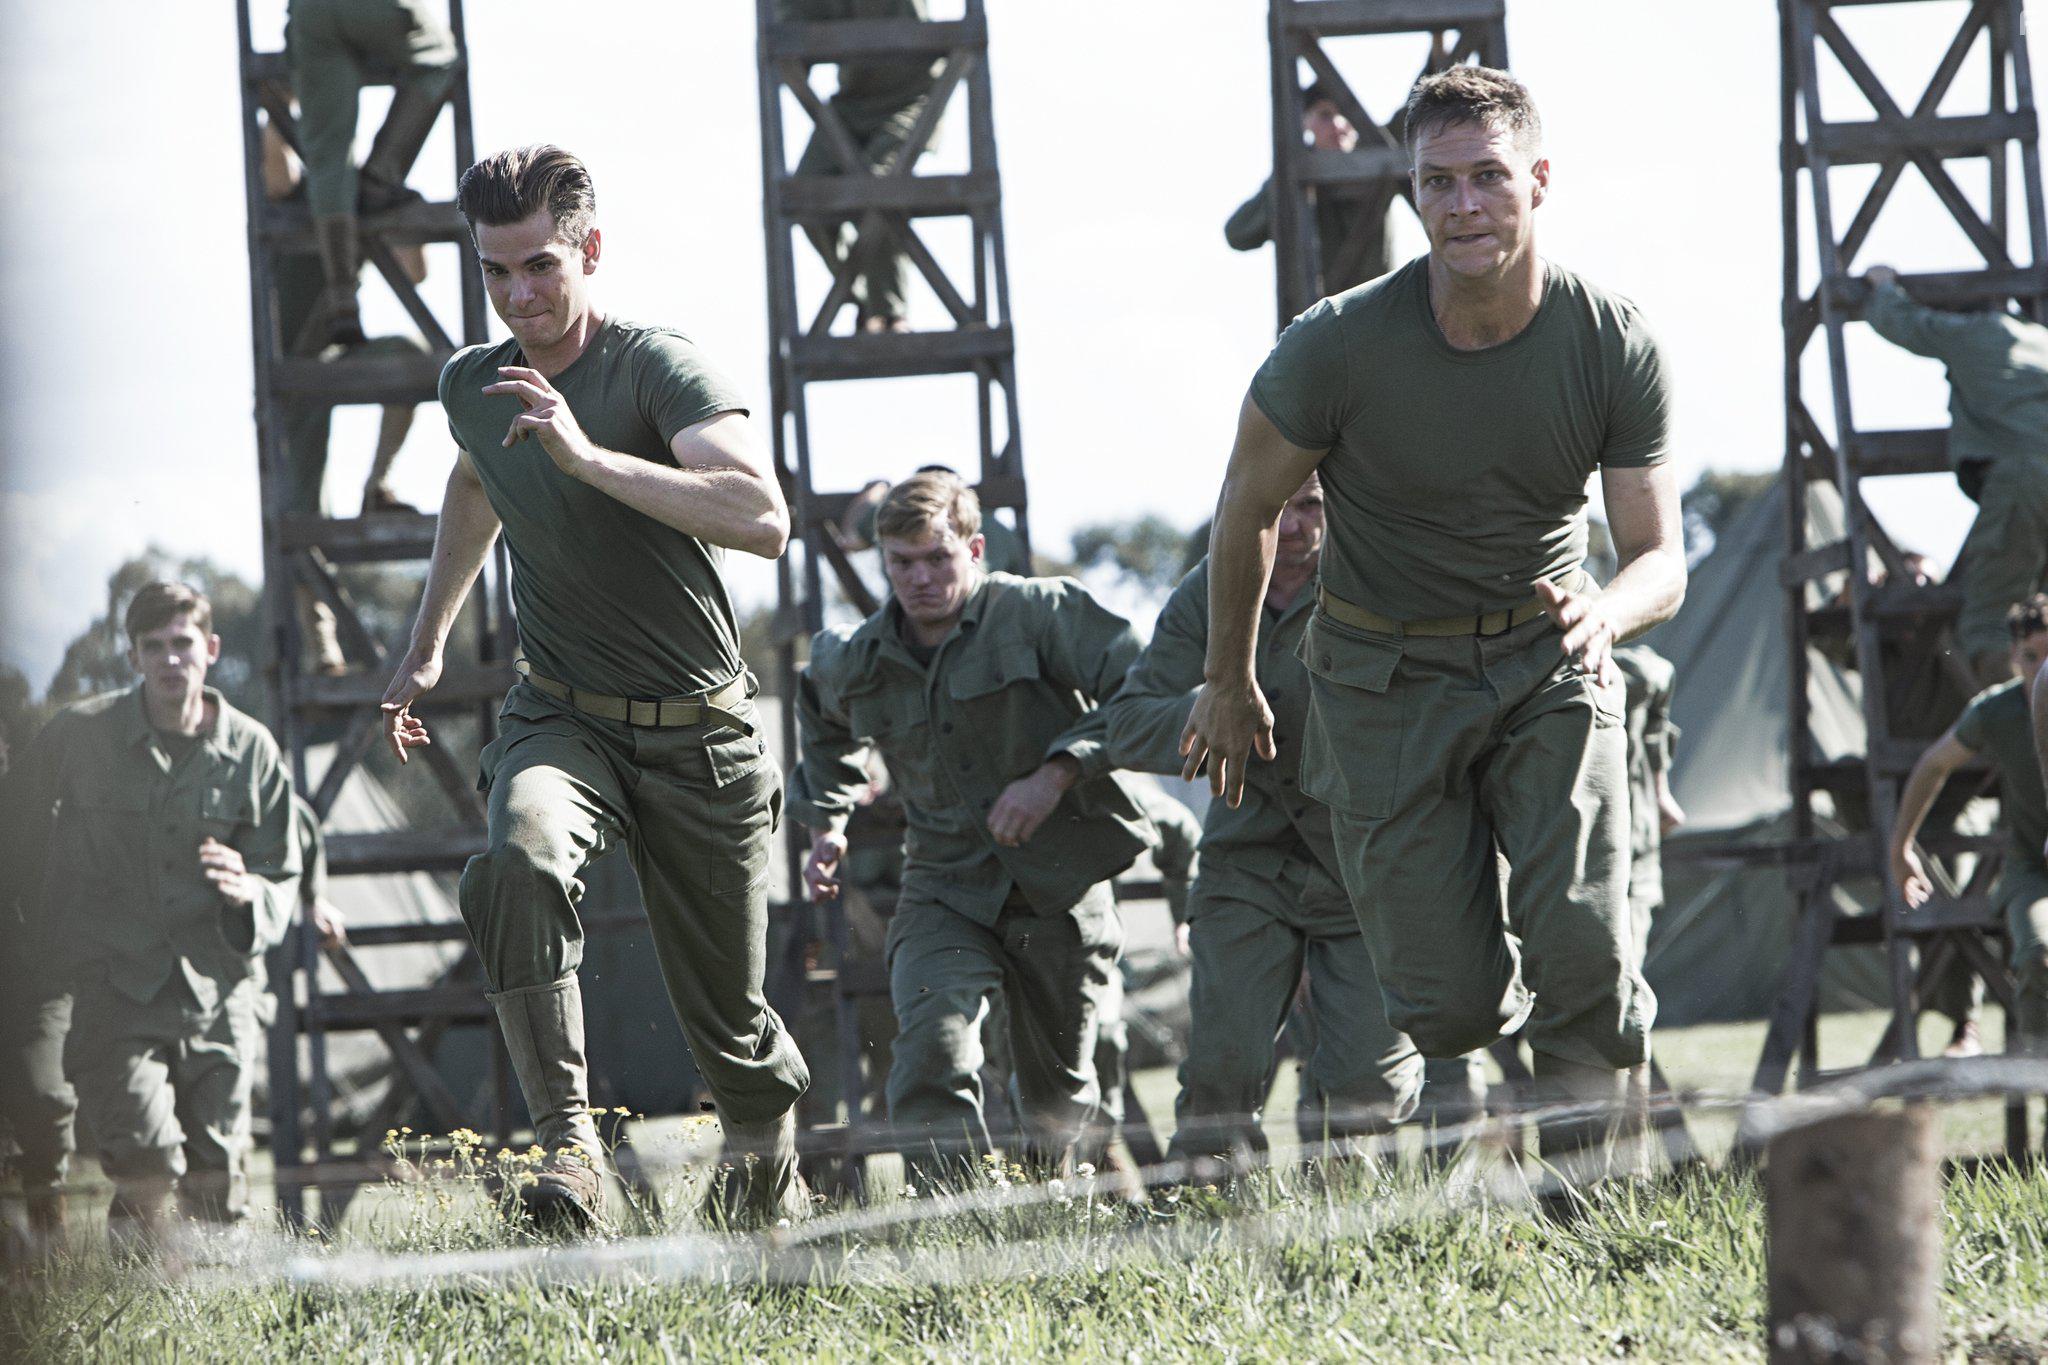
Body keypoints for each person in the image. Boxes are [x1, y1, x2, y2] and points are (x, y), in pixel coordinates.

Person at [1181, 67, 1686, 1173]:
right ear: (1411, 195)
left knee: (1585, 954)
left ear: (1538, 181)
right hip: (1380, 678)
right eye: (1437, 183)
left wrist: (1604, 612)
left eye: (1488, 179)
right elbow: (1247, 508)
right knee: (1444, 1007)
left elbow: (1658, 554)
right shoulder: (1336, 344)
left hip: (1546, 658)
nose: (1462, 206)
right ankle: (1495, 1038)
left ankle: (1589, 1204)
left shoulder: (1607, 339)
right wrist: (1230, 678)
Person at [378, 145, 809, 1231]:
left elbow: (761, 518)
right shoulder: (472, 384)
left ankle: (762, 1166)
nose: (519, 295)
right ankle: (569, 1151)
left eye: (539, 267)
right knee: (515, 859)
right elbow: (478, 477)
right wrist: (427, 641)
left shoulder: (656, 366)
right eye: (495, 274)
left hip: (700, 733)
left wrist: (587, 458)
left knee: (732, 1026)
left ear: (590, 250)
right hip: (560, 713)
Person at [791, 471, 1149, 1183]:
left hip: (1057, 885)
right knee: (930, 1051)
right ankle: (955, 1222)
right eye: (901, 562)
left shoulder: (1039, 613)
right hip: (944, 888)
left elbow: (1144, 683)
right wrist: (827, 820)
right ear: (883, 560)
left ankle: (1055, 1221)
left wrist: (1057, 774)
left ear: (975, 548)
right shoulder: (860, 654)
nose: (920, 578)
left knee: (1057, 1095)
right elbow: (821, 714)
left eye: (938, 558)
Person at [1106, 474, 1424, 1174]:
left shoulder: (1379, 575)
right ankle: (1216, 1215)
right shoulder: (1210, 589)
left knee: (1365, 1081)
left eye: (1310, 506)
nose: (1292, 527)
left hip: (1365, 860)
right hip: (1249, 861)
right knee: (1223, 1067)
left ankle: (1346, 1224)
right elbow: (1128, 722)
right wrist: (1212, 714)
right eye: (1273, 509)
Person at [0, 583, 300, 1245]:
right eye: (154, 646)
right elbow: (13, 833)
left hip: (218, 988)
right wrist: (38, 939)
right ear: (133, 656)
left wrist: (251, 889)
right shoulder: (80, 736)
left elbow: (284, 868)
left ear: (211, 649)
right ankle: (149, 1301)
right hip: (116, 987)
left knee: (218, 1176)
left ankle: (216, 1318)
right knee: (145, 1157)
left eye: (183, 644)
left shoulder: (252, 750)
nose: (171, 660)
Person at [261, 98, 433, 674]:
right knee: (304, 507)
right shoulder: (295, 191)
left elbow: (416, 271)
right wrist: (283, 98)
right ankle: (323, 641)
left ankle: (377, 483)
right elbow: (275, 166)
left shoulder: (359, 194)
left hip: (339, 348)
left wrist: (393, 207)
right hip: (293, 368)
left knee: (414, 363)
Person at [1862, 264, 2048, 686]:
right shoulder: (2040, 339)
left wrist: (1884, 287)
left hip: (2024, 478)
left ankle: (2020, 742)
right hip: (2030, 473)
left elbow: (1905, 324)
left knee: (1991, 623)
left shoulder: (1975, 333)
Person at [1891, 595, 2048, 1055]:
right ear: (2014, 658)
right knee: (2039, 956)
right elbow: (1933, 765)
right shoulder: (1996, 713)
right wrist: (1901, 846)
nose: (2042, 669)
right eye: (2032, 656)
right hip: (2033, 873)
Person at [285, 0, 458, 350]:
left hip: (309, 13)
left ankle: (342, 296)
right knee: (440, 58)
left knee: (328, 153)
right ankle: (379, 179)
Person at [779, 0, 943, 333]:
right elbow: (797, 26)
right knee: (809, 195)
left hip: (911, 97)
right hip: (852, 104)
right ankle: (862, 298)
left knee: (879, 189)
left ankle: (889, 312)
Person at [1226, 82, 1401, 302]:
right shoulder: (1296, 174)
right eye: (1325, 115)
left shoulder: (1380, 154)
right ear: (1304, 123)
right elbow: (1238, 234)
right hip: (1316, 321)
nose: (1338, 125)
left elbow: (1424, 102)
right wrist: (1291, 172)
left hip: (1378, 311)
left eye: (1346, 115)